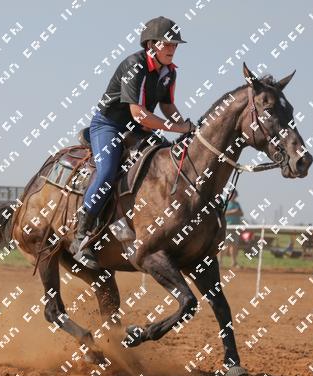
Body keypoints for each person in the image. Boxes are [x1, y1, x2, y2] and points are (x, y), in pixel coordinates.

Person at [72, 16, 195, 269]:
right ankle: (80, 236)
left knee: (164, 163)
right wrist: (177, 128)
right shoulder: (134, 65)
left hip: (138, 129)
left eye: (175, 44)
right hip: (109, 125)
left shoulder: (169, 72)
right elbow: (138, 114)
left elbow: (167, 106)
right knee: (107, 172)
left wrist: (187, 127)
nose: (172, 48)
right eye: (167, 43)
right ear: (151, 45)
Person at [222, 190, 244, 268]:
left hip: (236, 227)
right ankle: (220, 262)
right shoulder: (225, 203)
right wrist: (233, 212)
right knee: (224, 245)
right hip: (227, 227)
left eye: (235, 194)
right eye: (232, 194)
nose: (234, 196)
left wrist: (236, 212)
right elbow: (222, 213)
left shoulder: (237, 204)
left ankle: (234, 262)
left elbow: (241, 213)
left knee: (234, 245)